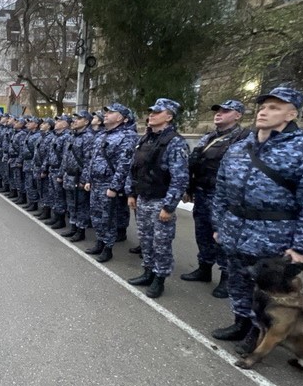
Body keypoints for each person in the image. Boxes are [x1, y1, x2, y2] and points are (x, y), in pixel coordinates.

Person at [210, 86, 303, 355]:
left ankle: (258, 333)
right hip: (235, 231)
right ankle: (240, 323)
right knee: (238, 282)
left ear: (291, 114)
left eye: (275, 108)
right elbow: (221, 189)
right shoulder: (239, 147)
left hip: (274, 238)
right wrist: (219, 225)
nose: (265, 112)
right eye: (263, 107)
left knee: (267, 295)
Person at [180, 100, 250, 298]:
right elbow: (195, 164)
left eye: (225, 111)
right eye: (217, 110)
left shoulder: (244, 138)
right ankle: (204, 268)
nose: (218, 114)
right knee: (203, 233)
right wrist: (189, 187)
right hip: (203, 193)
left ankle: (227, 278)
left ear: (238, 115)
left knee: (223, 237)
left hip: (225, 198)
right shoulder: (208, 137)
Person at [125, 98, 189, 299]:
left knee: (161, 243)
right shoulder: (146, 139)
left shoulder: (175, 142)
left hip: (161, 201)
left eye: (157, 112)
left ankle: (159, 279)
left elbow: (180, 178)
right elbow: (134, 168)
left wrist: (169, 207)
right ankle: (148, 272)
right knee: (145, 239)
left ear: (169, 116)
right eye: (151, 111)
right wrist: (132, 193)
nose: (151, 114)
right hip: (144, 198)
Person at [83, 103, 138, 262]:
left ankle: (108, 248)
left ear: (121, 117)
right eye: (105, 112)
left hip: (109, 184)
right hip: (96, 183)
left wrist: (114, 187)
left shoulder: (128, 136)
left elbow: (124, 164)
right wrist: (89, 179)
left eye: (111, 112)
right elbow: (92, 160)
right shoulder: (102, 135)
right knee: (96, 215)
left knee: (108, 218)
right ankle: (99, 242)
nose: (105, 114)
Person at [60, 110, 95, 242]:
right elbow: (65, 157)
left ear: (86, 121)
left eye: (78, 118)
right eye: (74, 119)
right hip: (69, 175)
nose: (74, 121)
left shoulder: (88, 137)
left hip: (78, 177)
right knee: (71, 204)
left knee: (81, 205)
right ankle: (73, 227)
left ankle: (81, 230)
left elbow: (88, 160)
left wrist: (84, 179)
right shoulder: (71, 136)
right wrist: (62, 173)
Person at [45, 115, 73, 229]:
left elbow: (65, 158)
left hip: (59, 170)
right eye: (56, 120)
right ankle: (56, 217)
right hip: (53, 168)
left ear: (66, 124)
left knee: (60, 196)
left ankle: (61, 219)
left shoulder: (67, 136)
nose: (56, 122)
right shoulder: (56, 136)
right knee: (55, 195)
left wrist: (61, 174)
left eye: (60, 120)